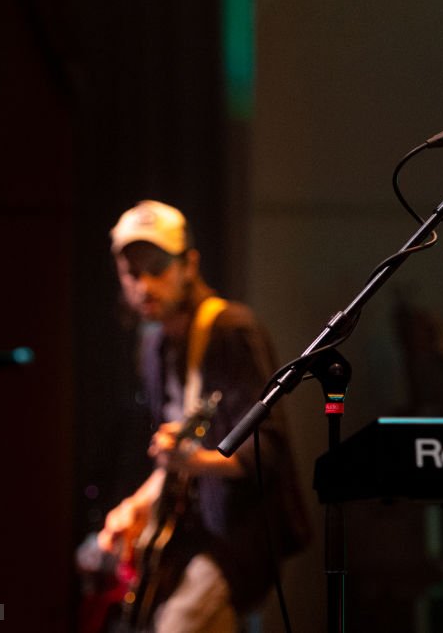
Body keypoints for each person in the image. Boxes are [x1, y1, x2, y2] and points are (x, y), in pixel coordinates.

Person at [97, 200, 311, 632]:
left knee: (178, 625)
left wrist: (193, 460)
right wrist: (135, 506)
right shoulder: (154, 347)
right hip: (191, 534)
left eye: (157, 267)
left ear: (189, 264)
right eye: (131, 272)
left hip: (241, 535)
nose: (144, 284)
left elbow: (266, 449)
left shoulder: (231, 330)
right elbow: (173, 459)